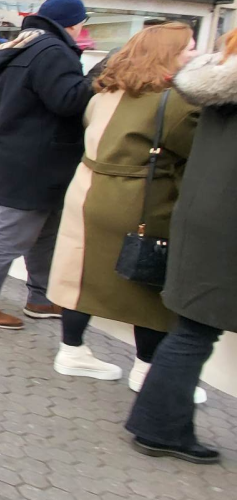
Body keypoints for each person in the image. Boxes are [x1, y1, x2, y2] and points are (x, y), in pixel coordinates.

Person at [48, 24, 201, 389]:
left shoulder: (107, 92)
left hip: (86, 190)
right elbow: (197, 152)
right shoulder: (175, 102)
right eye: (190, 48)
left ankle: (71, 350)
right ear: (169, 55)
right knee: (147, 280)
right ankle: (147, 370)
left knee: (79, 273)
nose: (196, 53)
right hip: (139, 199)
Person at [124, 28, 237, 465]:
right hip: (226, 222)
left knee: (192, 328)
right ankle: (159, 427)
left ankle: (160, 425)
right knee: (195, 332)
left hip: (204, 212)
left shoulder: (216, 83)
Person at [0, 0, 93, 329]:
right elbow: (67, 100)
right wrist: (98, 75)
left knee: (44, 232)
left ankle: (41, 297)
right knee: (11, 236)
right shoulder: (53, 51)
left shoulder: (26, 46)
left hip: (24, 155)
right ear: (71, 23)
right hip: (38, 160)